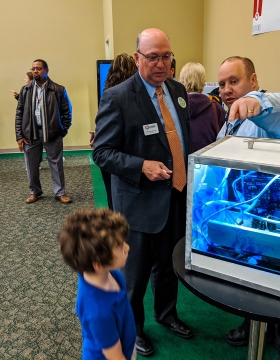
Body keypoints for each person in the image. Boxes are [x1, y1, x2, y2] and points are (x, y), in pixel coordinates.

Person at [93, 28, 193, 357]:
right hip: (138, 206)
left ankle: (166, 315)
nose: (161, 63)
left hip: (176, 198)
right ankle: (134, 329)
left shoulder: (177, 91)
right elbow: (102, 152)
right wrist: (141, 165)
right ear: (137, 58)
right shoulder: (118, 97)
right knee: (134, 278)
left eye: (166, 56)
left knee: (169, 266)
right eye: (153, 57)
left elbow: (181, 140)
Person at [216, 56, 280, 360]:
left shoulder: (274, 110)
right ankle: (253, 324)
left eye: (235, 81)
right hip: (249, 217)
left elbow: (278, 104)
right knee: (253, 274)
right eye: (222, 84)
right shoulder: (231, 122)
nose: (227, 89)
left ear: (253, 81)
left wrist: (253, 101)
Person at [57, 208, 137, 360]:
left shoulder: (108, 272)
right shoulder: (98, 312)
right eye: (120, 247)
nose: (127, 247)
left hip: (125, 344)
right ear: (98, 264)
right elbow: (115, 357)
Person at [15, 59, 72, 204]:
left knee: (56, 163)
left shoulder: (58, 89)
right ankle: (34, 191)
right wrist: (19, 135)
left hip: (52, 133)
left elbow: (67, 112)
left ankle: (60, 192)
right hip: (31, 134)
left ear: (46, 70)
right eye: (33, 69)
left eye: (39, 68)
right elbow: (19, 113)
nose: (35, 71)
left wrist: (62, 130)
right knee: (31, 165)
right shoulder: (26, 90)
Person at [91, 53, 137, 210]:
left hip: (109, 156)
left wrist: (98, 135)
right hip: (128, 155)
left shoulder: (108, 94)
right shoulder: (135, 96)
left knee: (112, 196)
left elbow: (104, 124)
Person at [179, 62, 226, 152]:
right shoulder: (216, 109)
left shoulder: (172, 108)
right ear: (203, 82)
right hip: (207, 164)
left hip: (180, 164)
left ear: (181, 81)